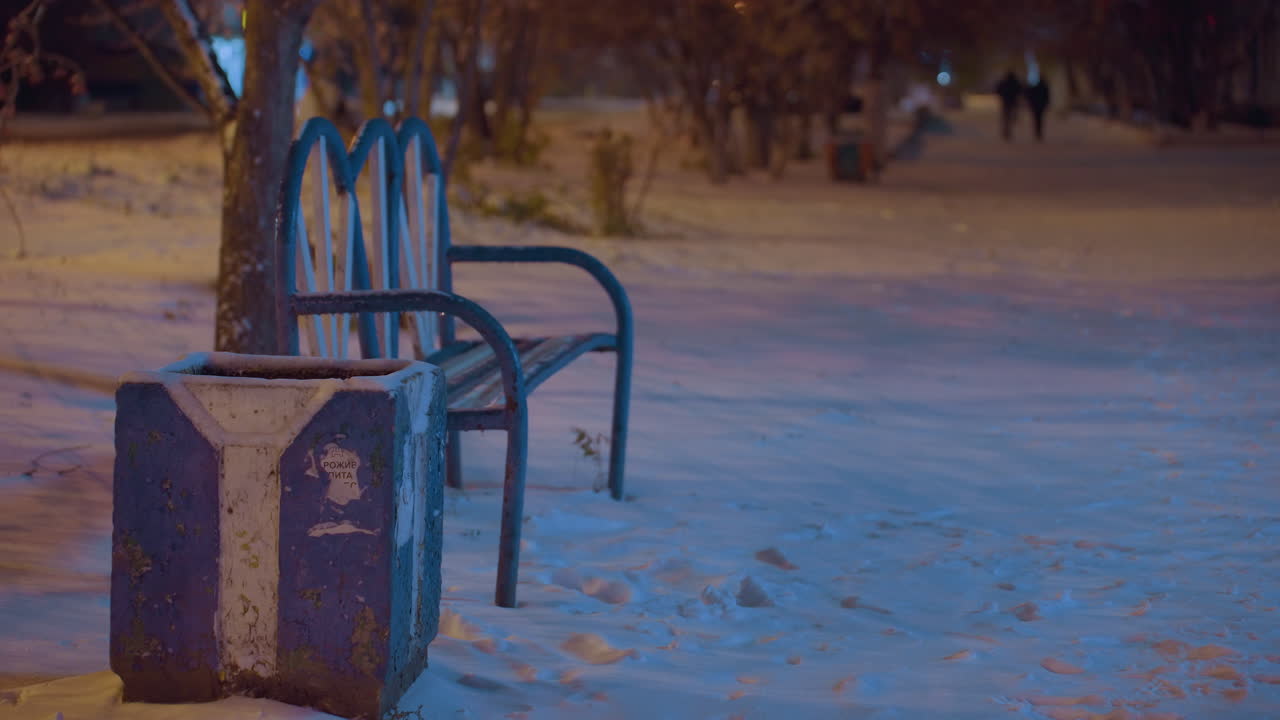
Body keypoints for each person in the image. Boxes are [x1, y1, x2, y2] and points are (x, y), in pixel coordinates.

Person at [995, 71, 1023, 141]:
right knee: (1010, 117)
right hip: (1013, 102)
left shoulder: (1004, 82)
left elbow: (998, 90)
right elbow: (1020, 90)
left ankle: (1007, 130)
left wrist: (1002, 96)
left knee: (1006, 117)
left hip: (1006, 102)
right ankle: (1008, 130)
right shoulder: (1016, 82)